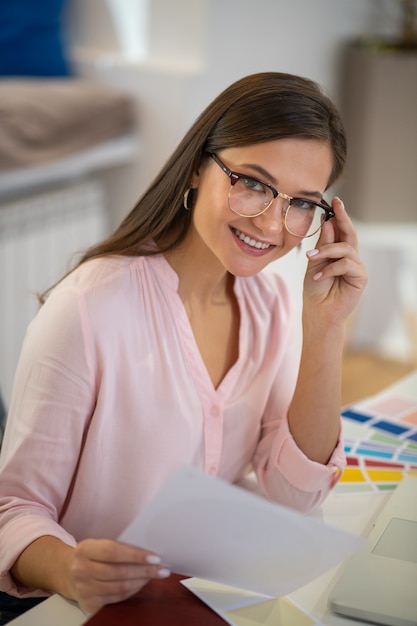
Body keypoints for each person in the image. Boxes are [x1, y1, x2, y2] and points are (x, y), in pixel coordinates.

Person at [0, 71, 367, 620]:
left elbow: (297, 494)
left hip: (200, 597)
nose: (271, 223)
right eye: (252, 183)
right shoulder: (89, 309)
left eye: (301, 204)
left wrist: (325, 329)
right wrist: (70, 568)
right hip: (80, 610)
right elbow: (13, 510)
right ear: (199, 167)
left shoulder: (268, 305)